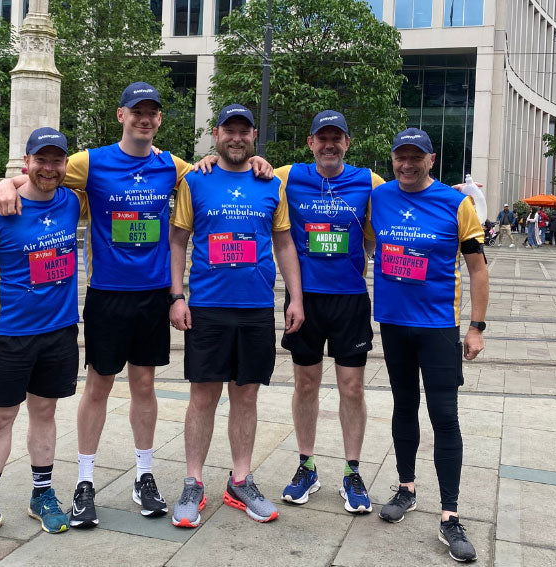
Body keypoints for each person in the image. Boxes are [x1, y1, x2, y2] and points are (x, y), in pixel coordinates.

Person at [0, 82, 271, 528]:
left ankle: (144, 475)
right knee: (98, 387)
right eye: (136, 111)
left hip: (153, 295)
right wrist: (7, 182)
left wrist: (256, 160)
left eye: (152, 113)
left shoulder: (172, 166)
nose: (145, 119)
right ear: (121, 115)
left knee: (145, 387)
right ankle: (85, 481)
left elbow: (222, 167)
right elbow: (45, 172)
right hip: (107, 294)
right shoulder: (91, 161)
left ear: (159, 120)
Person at [168, 104, 304, 528]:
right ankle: (193, 482)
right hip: (208, 306)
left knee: (246, 395)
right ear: (217, 134)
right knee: (203, 396)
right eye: (230, 130)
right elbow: (178, 240)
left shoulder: (271, 182)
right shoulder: (196, 180)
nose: (237, 138)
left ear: (253, 136)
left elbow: (284, 244)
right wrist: (177, 296)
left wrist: (295, 299)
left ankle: (240, 480)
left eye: (245, 131)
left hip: (256, 307)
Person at [0, 127, 79, 549]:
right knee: (0, 419)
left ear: (65, 164)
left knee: (45, 413)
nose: (49, 168)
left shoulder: (72, 200)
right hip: (7, 336)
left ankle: (42, 495)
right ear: (26, 162)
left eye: (57, 160)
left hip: (58, 332)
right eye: (41, 160)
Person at [370, 128, 487, 563]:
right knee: (403, 406)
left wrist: (476, 327)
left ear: (431, 160)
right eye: (400, 156)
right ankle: (406, 488)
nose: (407, 164)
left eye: (415, 157)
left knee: (444, 416)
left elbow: (478, 269)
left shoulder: (456, 204)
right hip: (394, 323)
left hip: (438, 326)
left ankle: (450, 515)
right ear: (393, 159)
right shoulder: (378, 196)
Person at [269, 111, 383, 514]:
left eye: (337, 138)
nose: (329, 144)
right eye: (323, 138)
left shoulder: (368, 181)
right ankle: (307, 466)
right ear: (311, 142)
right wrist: (213, 159)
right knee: (306, 384)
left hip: (349, 299)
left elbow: (405, 197)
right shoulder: (288, 175)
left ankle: (352, 471)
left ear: (347, 143)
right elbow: (245, 170)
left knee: (352, 388)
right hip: (304, 299)